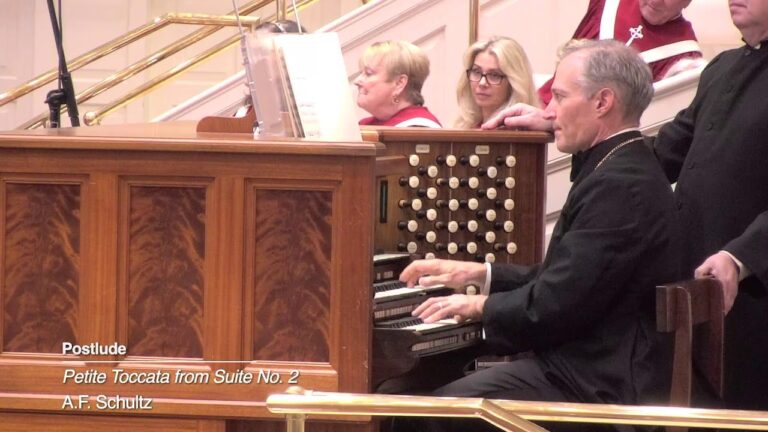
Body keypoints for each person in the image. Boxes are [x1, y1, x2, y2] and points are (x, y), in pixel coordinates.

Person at [483, 0, 768, 412]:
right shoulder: (723, 66)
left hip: (749, 288)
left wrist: (739, 257)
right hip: (689, 288)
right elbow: (660, 151)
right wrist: (565, 120)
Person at [395, 40, 677, 432]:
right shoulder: (620, 164)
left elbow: (554, 304)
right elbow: (567, 278)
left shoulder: (620, 185)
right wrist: (478, 274)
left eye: (559, 97)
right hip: (583, 367)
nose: (548, 111)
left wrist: (478, 307)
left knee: (422, 416)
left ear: (603, 102)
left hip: (594, 388)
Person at [538, 0, 704, 106]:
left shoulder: (685, 57)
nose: (656, 0)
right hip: (543, 102)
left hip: (585, 139)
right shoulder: (610, 3)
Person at [454, 37, 538, 129]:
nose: (482, 83)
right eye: (476, 72)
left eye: (494, 75)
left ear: (512, 83)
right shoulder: (464, 126)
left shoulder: (523, 134)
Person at [354, 40, 442, 128]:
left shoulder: (419, 130)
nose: (357, 81)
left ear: (399, 83)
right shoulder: (364, 125)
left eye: (368, 73)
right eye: (361, 73)